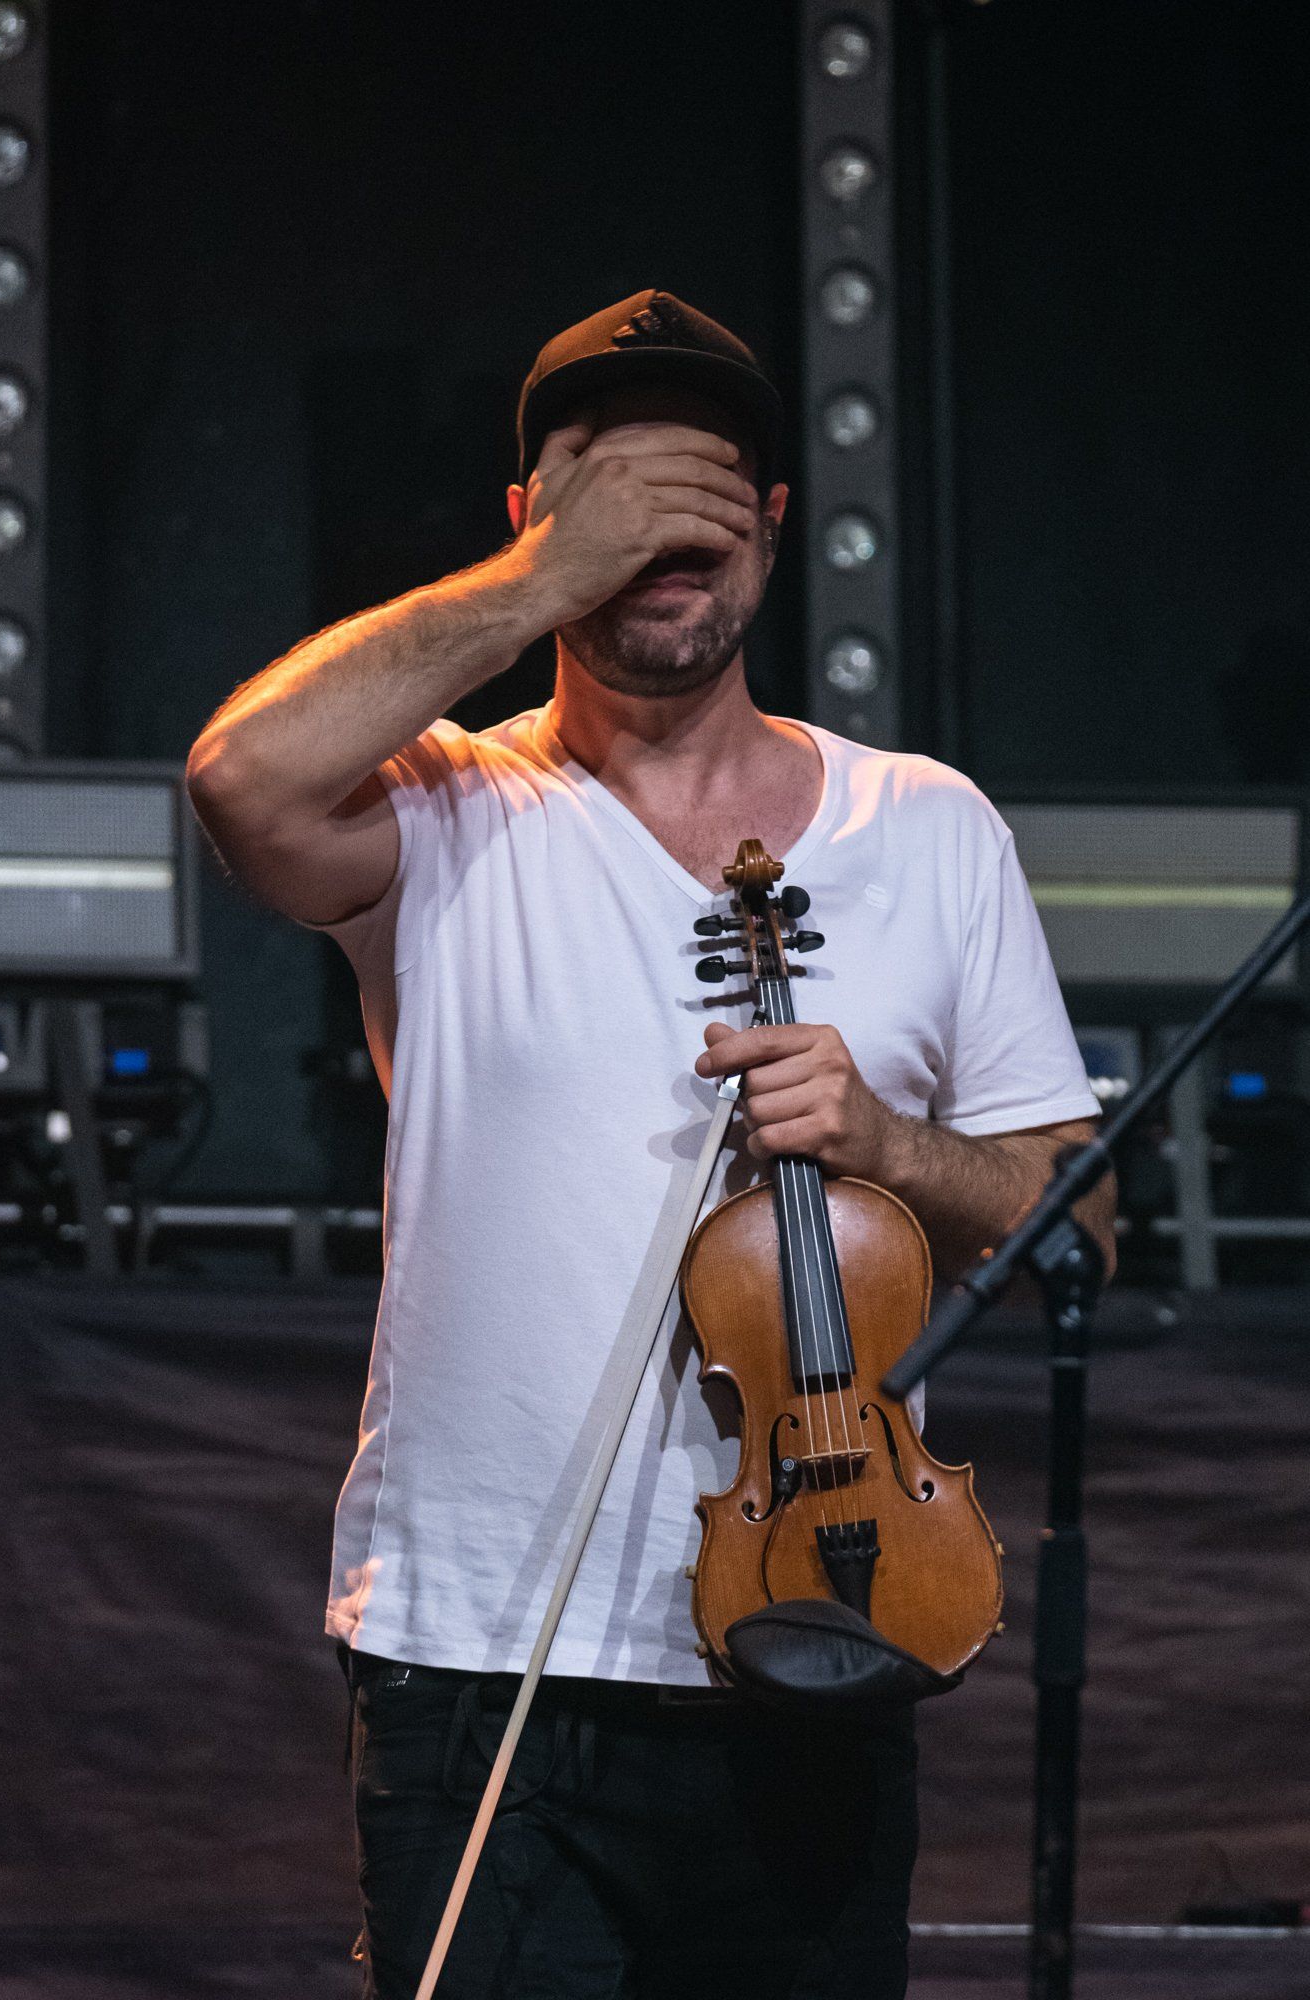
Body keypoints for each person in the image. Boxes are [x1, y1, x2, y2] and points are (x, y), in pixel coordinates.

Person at [186, 288, 1115, 2000]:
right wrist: (546, 576)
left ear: (774, 520)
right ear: (531, 517)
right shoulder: (444, 804)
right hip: (480, 1654)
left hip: (825, 1614)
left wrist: (892, 1142)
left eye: (705, 498)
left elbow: (1081, 1225)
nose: (665, 540)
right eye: (615, 498)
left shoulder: (930, 826)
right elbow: (242, 780)